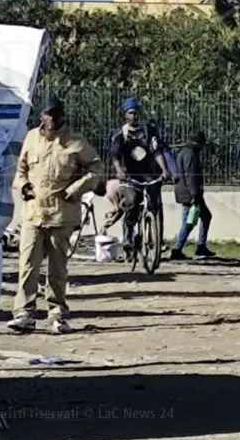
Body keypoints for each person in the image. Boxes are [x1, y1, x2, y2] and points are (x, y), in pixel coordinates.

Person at [9, 96, 103, 334]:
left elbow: (96, 168)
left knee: (57, 268)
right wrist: (23, 186)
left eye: (54, 115)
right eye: (46, 114)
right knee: (28, 264)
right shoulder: (32, 138)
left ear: (61, 116)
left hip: (61, 215)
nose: (50, 119)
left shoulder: (75, 142)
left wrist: (75, 190)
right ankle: (24, 314)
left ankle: (57, 314)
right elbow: (20, 169)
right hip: (33, 213)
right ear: (41, 116)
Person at [109, 97, 169, 262]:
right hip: (129, 177)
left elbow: (156, 152)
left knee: (155, 203)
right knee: (133, 201)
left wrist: (164, 170)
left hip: (149, 175)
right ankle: (128, 236)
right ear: (125, 115)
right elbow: (115, 156)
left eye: (136, 112)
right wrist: (119, 170)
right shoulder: (120, 134)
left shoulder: (149, 131)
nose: (134, 116)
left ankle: (155, 237)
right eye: (130, 113)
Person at [170, 130, 215, 260]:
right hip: (189, 193)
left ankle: (200, 246)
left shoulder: (184, 152)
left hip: (185, 191)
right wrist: (194, 193)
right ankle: (177, 249)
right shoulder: (190, 154)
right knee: (188, 222)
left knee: (204, 216)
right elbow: (191, 175)